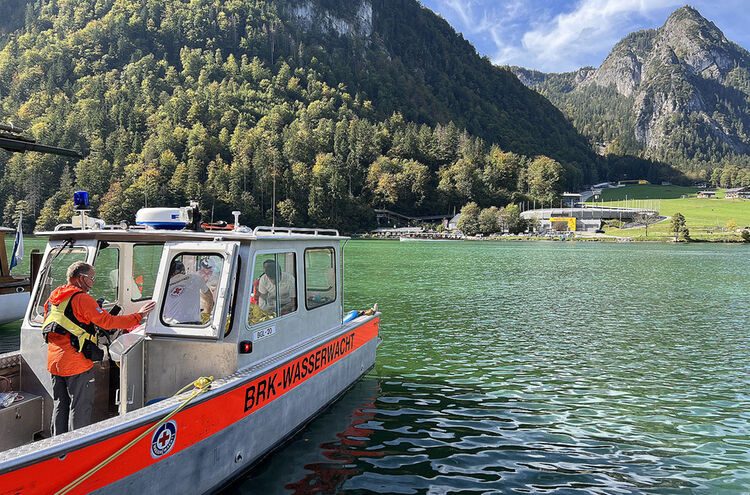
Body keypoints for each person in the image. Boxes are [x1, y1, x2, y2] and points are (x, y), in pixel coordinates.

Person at [43, 261, 155, 435]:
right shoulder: (82, 299)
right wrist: (138, 316)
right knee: (80, 407)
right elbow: (108, 322)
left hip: (55, 362)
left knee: (60, 404)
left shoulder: (56, 297)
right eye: (92, 278)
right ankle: (77, 446)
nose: (93, 282)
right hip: (76, 363)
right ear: (81, 278)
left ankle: (56, 446)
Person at [163, 259, 214, 324]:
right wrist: (206, 313)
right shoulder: (195, 278)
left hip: (173, 326)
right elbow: (209, 297)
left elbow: (163, 314)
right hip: (194, 325)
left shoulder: (165, 287)